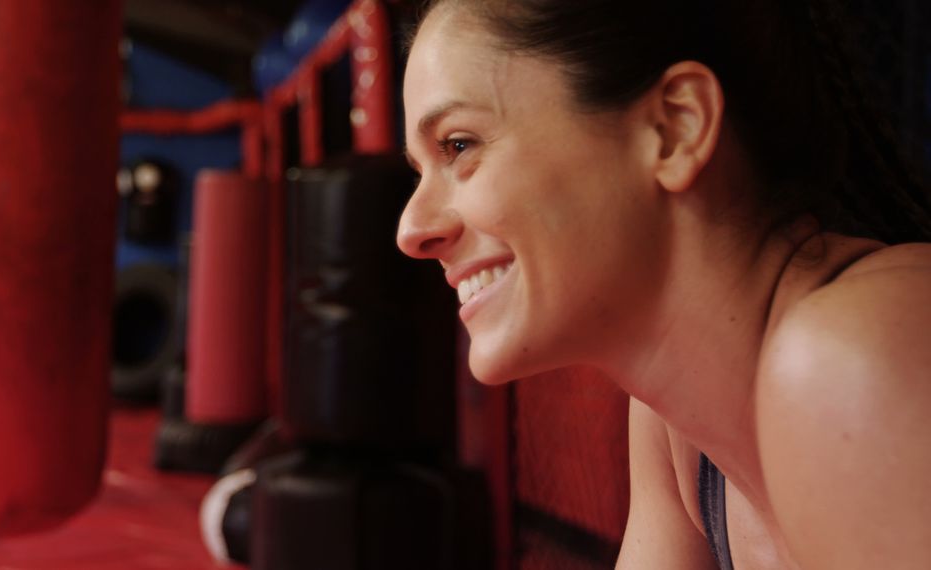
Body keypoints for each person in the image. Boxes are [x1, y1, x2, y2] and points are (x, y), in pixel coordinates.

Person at [395, 0, 931, 568]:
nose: (411, 229)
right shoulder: (678, 428)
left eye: (459, 145)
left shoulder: (852, 360)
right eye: (421, 168)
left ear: (676, 127)